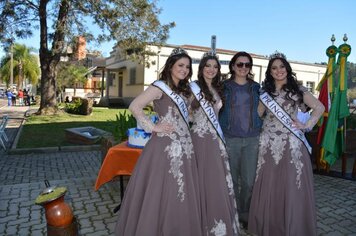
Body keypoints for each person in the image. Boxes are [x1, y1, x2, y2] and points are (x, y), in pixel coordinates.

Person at [115, 48, 202, 236]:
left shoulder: (185, 90)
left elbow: (188, 114)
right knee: (163, 189)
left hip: (185, 145)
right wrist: (153, 127)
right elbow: (135, 106)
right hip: (165, 147)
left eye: (187, 67)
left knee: (182, 189)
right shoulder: (159, 86)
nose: (184, 69)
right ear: (171, 66)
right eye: (180, 65)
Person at [248, 52, 325, 236]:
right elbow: (258, 115)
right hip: (269, 142)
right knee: (270, 185)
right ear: (270, 72)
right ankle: (271, 225)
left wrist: (306, 125)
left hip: (291, 143)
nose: (278, 70)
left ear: (287, 69)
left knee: (291, 184)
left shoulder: (298, 90)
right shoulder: (265, 92)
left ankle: (293, 226)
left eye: (281, 67)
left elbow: (320, 107)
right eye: (274, 68)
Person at [189, 52, 239, 235]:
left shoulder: (219, 90)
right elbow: (184, 111)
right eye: (207, 66)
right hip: (199, 140)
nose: (211, 69)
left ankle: (215, 220)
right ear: (201, 68)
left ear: (218, 70)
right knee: (200, 179)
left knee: (216, 180)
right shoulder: (192, 88)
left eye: (215, 66)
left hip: (216, 140)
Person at [219, 51, 262, 227]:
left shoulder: (256, 87)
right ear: (233, 66)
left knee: (249, 182)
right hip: (230, 139)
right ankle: (232, 214)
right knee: (231, 180)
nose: (243, 68)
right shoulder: (223, 87)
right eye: (240, 64)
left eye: (247, 64)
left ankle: (245, 215)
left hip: (252, 140)